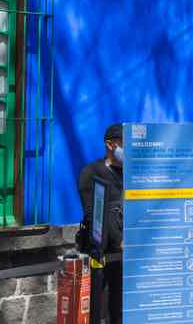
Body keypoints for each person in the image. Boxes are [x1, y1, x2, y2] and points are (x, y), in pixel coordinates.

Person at [78, 124, 125, 324]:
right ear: (110, 144)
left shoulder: (135, 174)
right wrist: (118, 240)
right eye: (126, 144)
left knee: (120, 306)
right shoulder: (91, 173)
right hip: (100, 253)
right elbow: (92, 214)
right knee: (98, 307)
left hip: (128, 253)